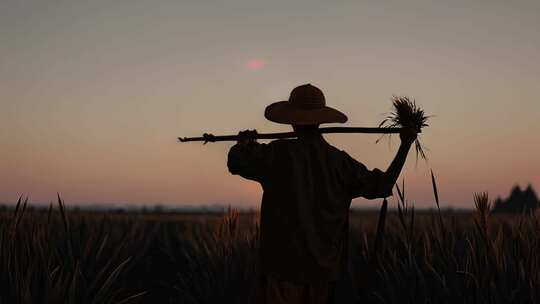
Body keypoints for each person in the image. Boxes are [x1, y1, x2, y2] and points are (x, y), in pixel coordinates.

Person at [227, 84, 417, 304]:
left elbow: (236, 163)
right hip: (323, 276)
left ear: (292, 120)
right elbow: (383, 185)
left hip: (283, 273)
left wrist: (244, 145)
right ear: (320, 120)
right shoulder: (340, 162)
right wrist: (405, 145)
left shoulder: (276, 155)